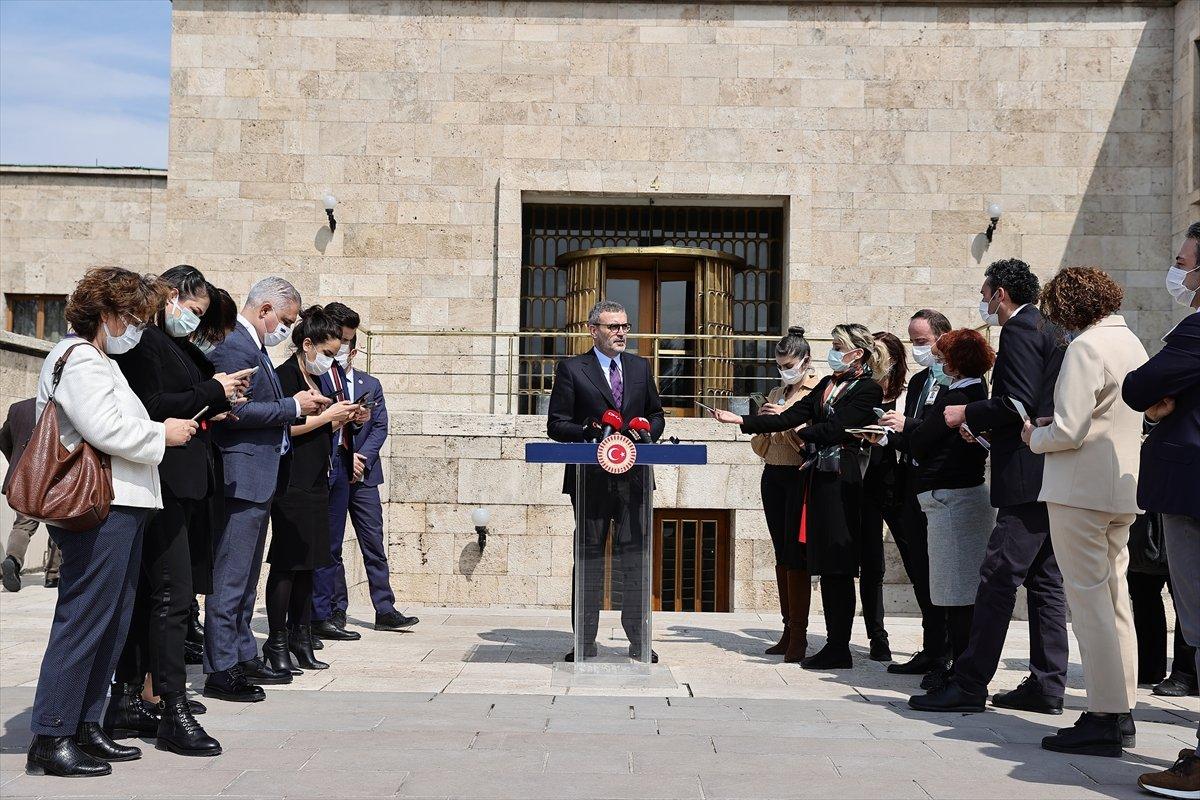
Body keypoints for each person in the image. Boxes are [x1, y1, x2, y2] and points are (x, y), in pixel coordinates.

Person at [25, 267, 198, 777]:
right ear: (106, 314)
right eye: (132, 318)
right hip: (99, 506)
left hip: (121, 505)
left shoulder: (99, 359)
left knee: (113, 619)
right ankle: (52, 733)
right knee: (85, 619)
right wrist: (162, 434)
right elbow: (105, 428)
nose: (137, 328)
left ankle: (85, 723)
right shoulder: (80, 358)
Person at [910, 258, 1068, 715]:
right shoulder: (1050, 327)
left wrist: (968, 414)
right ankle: (1046, 685)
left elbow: (1017, 402)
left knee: (998, 577)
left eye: (984, 293)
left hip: (1023, 474)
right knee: (1045, 581)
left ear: (1000, 294)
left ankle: (969, 682)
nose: (983, 302)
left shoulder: (1018, 329)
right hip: (1049, 473)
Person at [107, 266, 247, 757]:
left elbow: (182, 399)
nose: (194, 321)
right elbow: (153, 405)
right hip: (162, 482)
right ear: (170, 296)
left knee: (159, 596)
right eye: (192, 310)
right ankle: (171, 708)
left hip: (183, 484)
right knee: (172, 596)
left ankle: (129, 700)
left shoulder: (173, 345)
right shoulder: (145, 343)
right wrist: (214, 391)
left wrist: (216, 398)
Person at [1022, 267, 1148, 756]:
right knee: (1116, 602)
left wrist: (1035, 435)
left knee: (1090, 606)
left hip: (1079, 491)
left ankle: (1103, 716)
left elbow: (1069, 431)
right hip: (1120, 489)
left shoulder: (1085, 347)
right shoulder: (1131, 342)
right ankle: (1122, 710)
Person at [712, 323, 886, 670]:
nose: (833, 352)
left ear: (857, 354)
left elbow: (835, 429)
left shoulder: (868, 390)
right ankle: (831, 645)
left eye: (838, 346)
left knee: (838, 563)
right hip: (818, 478)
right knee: (827, 565)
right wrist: (740, 421)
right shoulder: (828, 385)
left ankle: (839, 646)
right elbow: (791, 416)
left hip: (841, 477)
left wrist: (803, 430)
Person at [203, 277, 329, 702]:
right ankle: (222, 667)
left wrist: (295, 407)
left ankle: (241, 654)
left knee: (246, 579)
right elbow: (233, 411)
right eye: (286, 320)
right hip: (241, 477)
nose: (286, 330)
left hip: (259, 478)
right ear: (265, 310)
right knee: (230, 579)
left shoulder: (252, 346)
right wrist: (293, 406)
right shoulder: (234, 346)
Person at [1125, 222, 1200, 798]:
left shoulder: (1195, 331)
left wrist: (1157, 405)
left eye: (1183, 262)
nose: (1178, 272)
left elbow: (1138, 386)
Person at [547, 300, 665, 662]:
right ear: (593, 329)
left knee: (635, 561)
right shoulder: (571, 369)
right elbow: (556, 424)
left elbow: (656, 415)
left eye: (625, 326)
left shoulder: (640, 367)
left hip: (635, 480)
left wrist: (647, 432)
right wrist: (588, 431)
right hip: (590, 481)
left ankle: (639, 640)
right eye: (613, 327)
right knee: (589, 560)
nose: (621, 333)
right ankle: (584, 641)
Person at [312, 302, 416, 641]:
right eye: (339, 341)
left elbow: (380, 426)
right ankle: (335, 608)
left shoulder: (370, 384)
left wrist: (361, 457)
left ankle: (385, 608)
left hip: (364, 476)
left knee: (373, 541)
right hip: (333, 471)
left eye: (347, 342)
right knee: (332, 545)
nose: (343, 348)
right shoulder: (317, 380)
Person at [263, 307, 356, 675]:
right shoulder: (284, 377)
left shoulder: (319, 380)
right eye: (328, 352)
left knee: (310, 562)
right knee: (288, 563)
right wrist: (326, 418)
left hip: (318, 477)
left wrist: (342, 418)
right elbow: (283, 425)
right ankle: (277, 640)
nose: (331, 360)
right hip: (292, 480)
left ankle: (301, 637)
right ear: (307, 345)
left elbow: (317, 425)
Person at [905, 329, 995, 687]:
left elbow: (922, 440)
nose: (939, 365)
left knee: (957, 593)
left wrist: (906, 432)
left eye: (942, 359)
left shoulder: (961, 396)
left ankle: (961, 672)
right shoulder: (967, 393)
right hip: (951, 498)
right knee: (953, 589)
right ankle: (957, 667)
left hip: (953, 499)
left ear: (955, 364)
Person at [880, 309, 953, 678]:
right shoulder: (922, 379)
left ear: (942, 338)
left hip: (940, 485)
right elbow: (911, 434)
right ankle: (932, 647)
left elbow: (941, 430)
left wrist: (907, 425)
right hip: (911, 482)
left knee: (942, 572)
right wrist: (884, 435)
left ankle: (947, 652)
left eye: (922, 342)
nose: (918, 349)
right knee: (919, 570)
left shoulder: (958, 380)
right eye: (913, 342)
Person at [750, 325, 819, 662]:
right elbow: (759, 444)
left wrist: (786, 421)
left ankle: (800, 634)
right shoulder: (777, 392)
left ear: (805, 360)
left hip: (799, 475)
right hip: (773, 474)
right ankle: (787, 629)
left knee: (797, 554)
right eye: (779, 365)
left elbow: (812, 437)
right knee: (781, 553)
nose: (784, 371)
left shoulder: (816, 390)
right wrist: (764, 422)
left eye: (789, 365)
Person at [854, 331, 907, 663]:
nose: (874, 360)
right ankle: (877, 636)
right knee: (872, 565)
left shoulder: (908, 395)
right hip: (867, 485)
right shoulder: (862, 393)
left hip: (901, 487)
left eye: (880, 355)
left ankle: (935, 641)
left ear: (894, 360)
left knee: (917, 562)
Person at [1127, 522, 1199, 695]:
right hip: (1147, 519)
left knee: (1186, 596)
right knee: (1141, 585)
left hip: (1181, 517)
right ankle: (1148, 667)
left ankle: (1187, 672)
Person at [1, 397, 61, 591]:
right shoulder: (61, 404)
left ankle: (13, 559)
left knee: (23, 525)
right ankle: (53, 574)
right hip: (53, 476)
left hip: (25, 477)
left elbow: (3, 439)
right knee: (59, 523)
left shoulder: (18, 408)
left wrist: (16, 462)